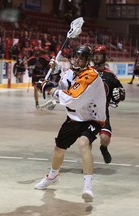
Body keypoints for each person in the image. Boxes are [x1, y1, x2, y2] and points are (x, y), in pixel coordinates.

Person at [34, 45, 106, 202]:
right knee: (59, 149)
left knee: (83, 143)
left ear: (88, 61)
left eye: (82, 58)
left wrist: (50, 89)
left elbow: (72, 100)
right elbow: (62, 90)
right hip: (73, 118)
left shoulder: (91, 76)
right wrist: (52, 77)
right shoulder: (70, 73)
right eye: (76, 56)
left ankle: (88, 187)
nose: (77, 60)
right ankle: (52, 176)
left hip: (92, 119)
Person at [92, 45, 125, 164]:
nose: (96, 57)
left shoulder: (110, 75)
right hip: (87, 113)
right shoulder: (87, 72)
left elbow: (119, 92)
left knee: (105, 138)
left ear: (104, 57)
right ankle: (87, 164)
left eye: (99, 54)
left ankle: (103, 148)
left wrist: (119, 96)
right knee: (86, 141)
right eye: (95, 54)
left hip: (102, 113)